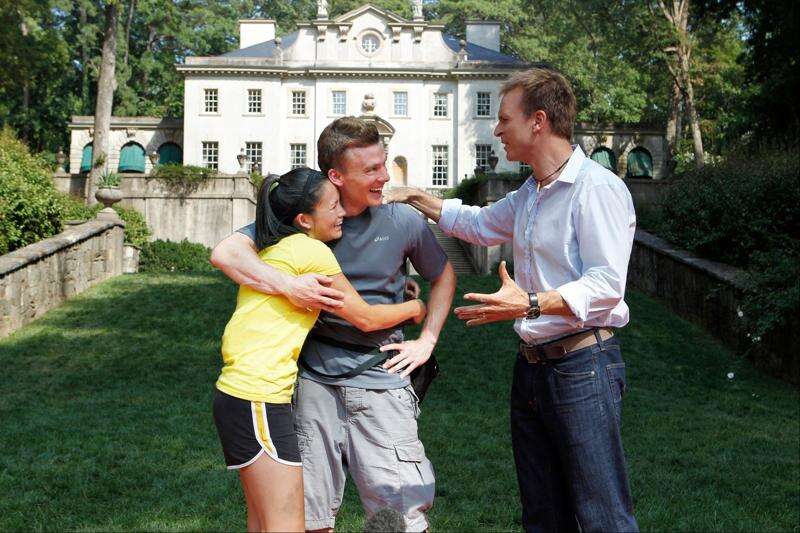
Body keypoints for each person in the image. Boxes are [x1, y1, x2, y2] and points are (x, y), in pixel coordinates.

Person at [384, 67, 639, 532]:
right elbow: (480, 225)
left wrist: (531, 303)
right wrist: (418, 197)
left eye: (504, 119)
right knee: (542, 515)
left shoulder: (597, 189)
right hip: (532, 369)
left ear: (538, 121)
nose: (497, 130)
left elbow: (606, 285)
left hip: (583, 367)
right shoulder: (531, 192)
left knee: (602, 516)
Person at [211, 117, 456, 532]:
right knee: (309, 518)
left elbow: (444, 274)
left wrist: (428, 337)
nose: (384, 177)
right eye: (371, 169)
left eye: (384, 164)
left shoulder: (402, 221)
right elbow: (226, 253)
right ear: (336, 177)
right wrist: (292, 287)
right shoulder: (306, 217)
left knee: (400, 519)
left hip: (381, 380)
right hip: (313, 384)